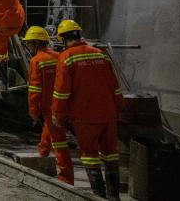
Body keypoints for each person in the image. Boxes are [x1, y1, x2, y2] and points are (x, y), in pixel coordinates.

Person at [52, 19, 125, 199]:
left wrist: (57, 115)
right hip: (108, 113)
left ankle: (98, 196)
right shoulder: (100, 54)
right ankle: (114, 197)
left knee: (90, 154)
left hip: (85, 115)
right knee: (111, 153)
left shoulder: (67, 57)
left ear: (63, 38)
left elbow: (61, 91)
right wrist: (120, 107)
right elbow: (114, 86)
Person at [24, 26, 74, 185]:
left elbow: (34, 90)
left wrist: (33, 112)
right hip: (64, 103)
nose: (28, 46)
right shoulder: (59, 56)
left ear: (35, 43)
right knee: (49, 129)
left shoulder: (36, 61)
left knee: (59, 143)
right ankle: (43, 153)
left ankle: (66, 179)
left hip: (50, 107)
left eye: (29, 43)